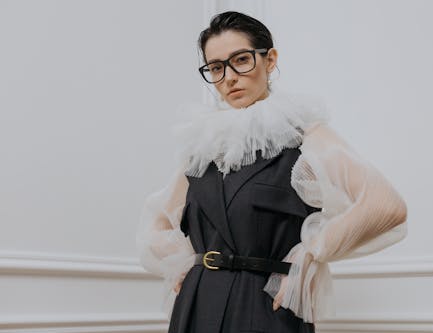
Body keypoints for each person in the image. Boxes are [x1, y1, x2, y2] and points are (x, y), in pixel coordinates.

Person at [136, 10, 408, 333]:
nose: (229, 77)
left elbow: (386, 205)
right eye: (216, 67)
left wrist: (310, 254)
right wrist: (182, 264)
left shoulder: (303, 134)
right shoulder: (203, 145)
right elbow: (157, 222)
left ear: (269, 60)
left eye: (241, 60)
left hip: (264, 304)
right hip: (197, 305)